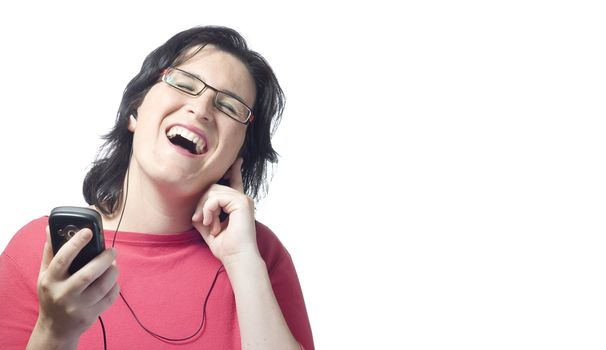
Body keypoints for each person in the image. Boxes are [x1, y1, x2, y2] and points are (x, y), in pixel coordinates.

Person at [0, 26, 314, 350]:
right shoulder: (42, 250)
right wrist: (55, 330)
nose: (201, 109)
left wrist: (242, 260)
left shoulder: (260, 254)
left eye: (229, 106)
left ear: (240, 154)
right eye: (184, 83)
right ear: (134, 111)